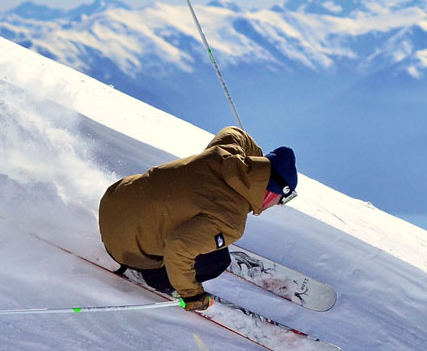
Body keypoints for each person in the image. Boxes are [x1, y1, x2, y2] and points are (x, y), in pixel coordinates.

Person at [98, 126, 296, 312]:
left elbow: (235, 132)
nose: (279, 204)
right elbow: (178, 247)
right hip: (124, 248)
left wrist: (257, 164)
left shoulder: (225, 152)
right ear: (274, 192)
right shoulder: (232, 220)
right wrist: (192, 295)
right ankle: (151, 274)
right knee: (218, 260)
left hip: (111, 202)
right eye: (285, 199)